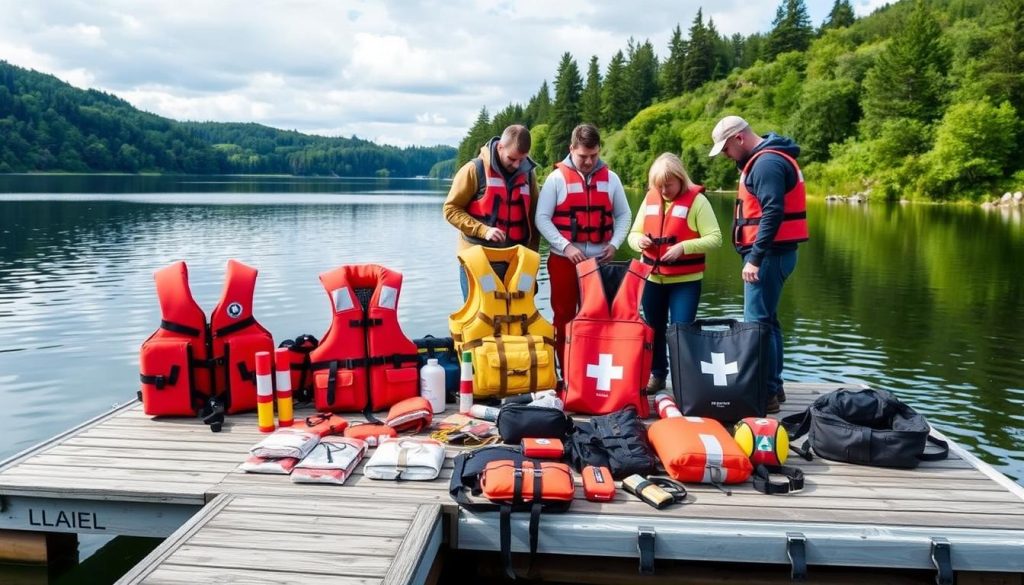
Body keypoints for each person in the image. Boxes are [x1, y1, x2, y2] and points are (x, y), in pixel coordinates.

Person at [709, 115, 808, 414]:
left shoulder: (765, 164)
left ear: (739, 138)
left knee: (757, 325)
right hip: (775, 254)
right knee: (768, 321)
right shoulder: (769, 158)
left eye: (726, 149)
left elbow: (773, 211)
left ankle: (764, 395)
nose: (726, 156)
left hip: (767, 256)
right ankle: (774, 386)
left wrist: (755, 258)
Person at [536, 123, 632, 370]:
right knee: (564, 317)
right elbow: (542, 218)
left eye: (594, 155)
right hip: (564, 261)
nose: (589, 161)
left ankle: (595, 372)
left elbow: (624, 215)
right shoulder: (556, 179)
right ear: (571, 149)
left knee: (598, 317)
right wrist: (566, 246)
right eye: (583, 156)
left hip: (600, 262)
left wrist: (614, 244)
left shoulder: (611, 179)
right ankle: (567, 372)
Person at [627, 153, 721, 393]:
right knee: (654, 329)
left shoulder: (698, 202)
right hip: (652, 279)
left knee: (681, 331)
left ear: (680, 179)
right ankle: (657, 376)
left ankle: (684, 382)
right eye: (659, 186)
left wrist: (684, 247)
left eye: (668, 184)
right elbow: (633, 234)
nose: (664, 190)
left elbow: (715, 238)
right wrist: (640, 243)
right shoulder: (651, 200)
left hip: (685, 282)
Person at [443, 124, 539, 299]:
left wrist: (532, 263)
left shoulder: (529, 175)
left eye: (522, 159)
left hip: (517, 263)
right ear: (500, 147)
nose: (517, 165)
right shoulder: (474, 169)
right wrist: (483, 230)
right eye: (512, 159)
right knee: (480, 318)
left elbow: (534, 219)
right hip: (479, 262)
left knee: (518, 320)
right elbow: (450, 210)